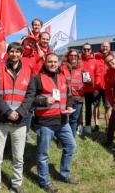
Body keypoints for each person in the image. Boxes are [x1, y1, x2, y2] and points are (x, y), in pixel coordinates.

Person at [0, 42, 35, 193]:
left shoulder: (28, 71)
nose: (14, 54)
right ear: (8, 53)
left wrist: (19, 112)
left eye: (17, 52)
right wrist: (8, 111)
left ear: (21, 54)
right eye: (12, 51)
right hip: (0, 119)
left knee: (18, 157)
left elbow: (30, 95)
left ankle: (16, 184)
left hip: (20, 121)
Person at [34, 53, 79, 193]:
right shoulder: (38, 78)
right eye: (50, 61)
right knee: (43, 154)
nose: (53, 64)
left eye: (55, 61)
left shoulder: (62, 77)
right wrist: (43, 101)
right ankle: (44, 181)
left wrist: (70, 106)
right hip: (45, 122)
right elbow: (29, 99)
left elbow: (69, 95)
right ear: (45, 62)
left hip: (62, 120)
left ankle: (64, 174)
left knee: (71, 146)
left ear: (58, 63)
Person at [60, 49, 85, 136]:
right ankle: (63, 138)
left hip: (78, 98)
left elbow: (88, 81)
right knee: (65, 118)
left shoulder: (82, 68)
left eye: (75, 55)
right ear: (68, 57)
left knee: (74, 119)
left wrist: (89, 80)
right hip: (66, 97)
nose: (73, 57)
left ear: (78, 57)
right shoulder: (62, 68)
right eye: (71, 55)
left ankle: (71, 137)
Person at [93, 41, 113, 132]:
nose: (105, 48)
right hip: (97, 86)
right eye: (103, 46)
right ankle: (96, 125)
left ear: (109, 48)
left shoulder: (112, 57)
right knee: (96, 105)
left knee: (107, 107)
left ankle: (107, 126)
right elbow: (93, 72)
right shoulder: (95, 57)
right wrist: (95, 87)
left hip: (107, 87)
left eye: (107, 46)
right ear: (101, 47)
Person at [81, 43, 100, 134]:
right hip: (79, 89)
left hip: (90, 89)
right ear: (82, 50)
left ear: (91, 50)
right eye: (85, 49)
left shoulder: (95, 61)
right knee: (79, 108)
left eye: (88, 49)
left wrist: (96, 88)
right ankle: (79, 125)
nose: (86, 51)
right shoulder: (79, 60)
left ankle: (88, 126)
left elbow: (98, 75)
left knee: (89, 108)